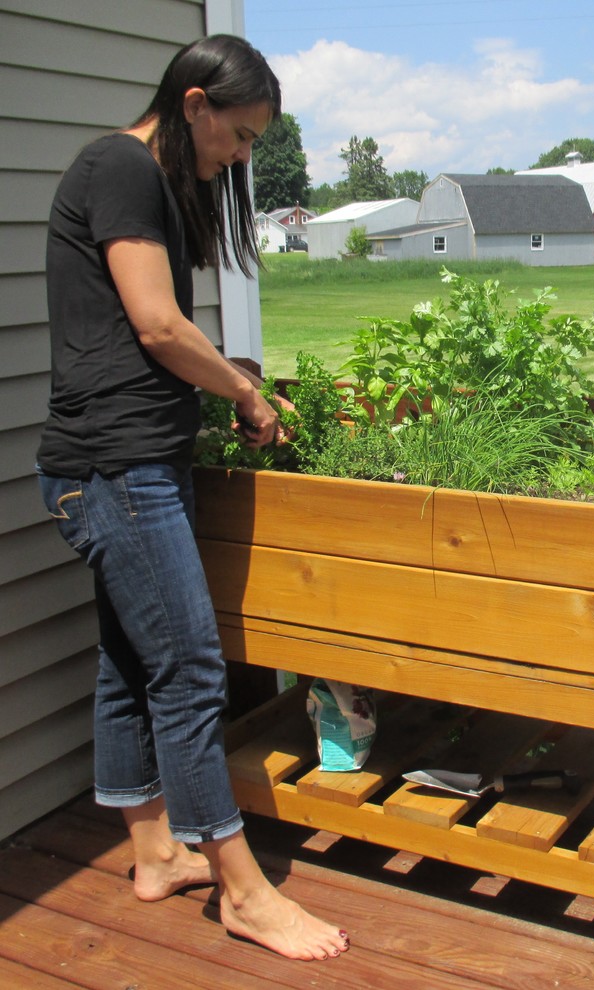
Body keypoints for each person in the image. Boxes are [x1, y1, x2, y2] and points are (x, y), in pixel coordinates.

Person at [36, 35, 350, 962]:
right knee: (191, 672)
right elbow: (157, 322)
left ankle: (152, 854)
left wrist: (229, 381)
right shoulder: (121, 166)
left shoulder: (150, 178)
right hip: (115, 473)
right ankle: (243, 892)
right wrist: (245, 391)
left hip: (120, 467)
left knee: (133, 664)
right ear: (195, 103)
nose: (241, 157)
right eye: (240, 136)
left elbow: (145, 338)